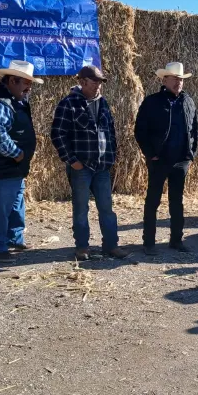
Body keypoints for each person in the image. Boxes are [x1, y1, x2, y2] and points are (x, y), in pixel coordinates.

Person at [51, 65, 130, 261]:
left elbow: (111, 132)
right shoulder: (68, 104)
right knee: (81, 209)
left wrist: (111, 156)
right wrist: (72, 160)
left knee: (107, 209)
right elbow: (58, 134)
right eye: (94, 82)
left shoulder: (103, 103)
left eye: (100, 82)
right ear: (82, 82)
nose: (98, 86)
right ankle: (82, 247)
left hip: (102, 166)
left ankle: (111, 245)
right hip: (81, 167)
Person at [0, 60, 41, 262]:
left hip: (14, 167)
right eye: (26, 83)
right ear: (12, 81)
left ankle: (13, 238)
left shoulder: (15, 100)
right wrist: (16, 153)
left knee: (15, 203)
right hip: (1, 166)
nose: (29, 88)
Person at [134, 62, 198, 255]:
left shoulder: (188, 101)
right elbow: (140, 131)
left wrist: (191, 153)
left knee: (176, 202)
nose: (178, 82)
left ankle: (176, 240)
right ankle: (149, 243)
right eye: (175, 79)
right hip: (159, 160)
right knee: (153, 201)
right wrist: (150, 153)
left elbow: (195, 128)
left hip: (181, 160)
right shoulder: (152, 102)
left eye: (181, 79)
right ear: (164, 80)